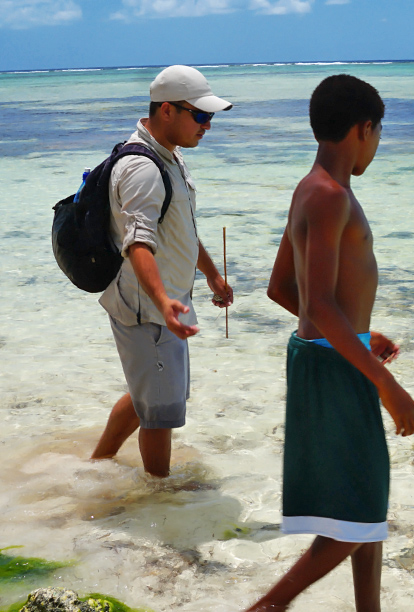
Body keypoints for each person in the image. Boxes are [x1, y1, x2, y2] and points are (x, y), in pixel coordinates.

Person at [234, 74, 414, 612]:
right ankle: (264, 611)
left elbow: (279, 288)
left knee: (365, 497)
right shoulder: (329, 196)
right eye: (378, 133)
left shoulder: (313, 188)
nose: (378, 144)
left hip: (336, 353)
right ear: (363, 128)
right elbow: (314, 301)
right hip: (330, 364)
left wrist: (361, 335)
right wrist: (388, 385)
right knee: (358, 504)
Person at [90, 65, 234, 478]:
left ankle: (97, 463)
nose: (208, 126)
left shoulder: (170, 156)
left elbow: (181, 230)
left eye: (211, 117)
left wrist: (209, 274)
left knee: (149, 397)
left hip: (165, 303)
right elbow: (138, 244)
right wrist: (163, 302)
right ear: (167, 110)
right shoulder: (143, 169)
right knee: (162, 414)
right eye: (201, 116)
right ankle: (160, 498)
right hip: (149, 310)